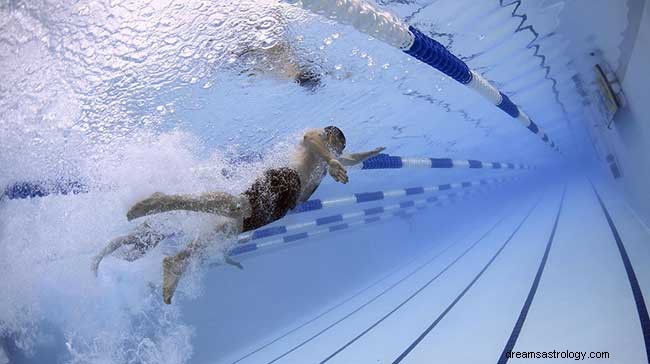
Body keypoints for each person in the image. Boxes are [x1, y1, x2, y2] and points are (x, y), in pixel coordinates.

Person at [92, 127, 385, 304]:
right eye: (333, 143)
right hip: (283, 181)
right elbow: (311, 138)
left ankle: (179, 260)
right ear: (329, 137)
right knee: (236, 207)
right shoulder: (319, 144)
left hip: (281, 207)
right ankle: (166, 201)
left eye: (337, 147)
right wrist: (331, 158)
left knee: (227, 230)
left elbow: (350, 158)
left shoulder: (329, 161)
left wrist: (368, 154)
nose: (335, 149)